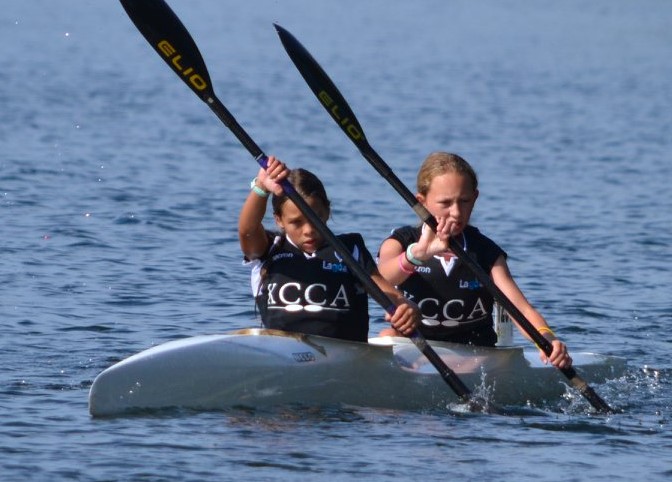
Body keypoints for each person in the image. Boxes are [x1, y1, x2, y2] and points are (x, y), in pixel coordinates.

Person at [377, 151, 572, 369]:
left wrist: (547, 338)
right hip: (415, 347)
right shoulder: (401, 243)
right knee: (386, 336)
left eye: (464, 201)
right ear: (421, 202)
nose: (456, 212)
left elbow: (521, 310)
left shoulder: (486, 252)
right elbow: (377, 279)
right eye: (445, 203)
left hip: (474, 356)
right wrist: (418, 255)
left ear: (475, 198)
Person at [238, 156, 420, 342]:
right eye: (296, 222)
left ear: (327, 211)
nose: (308, 231)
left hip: (346, 355)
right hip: (281, 351)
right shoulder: (268, 249)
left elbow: (391, 296)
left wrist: (407, 308)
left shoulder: (350, 250)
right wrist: (261, 187)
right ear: (279, 220)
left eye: (315, 219)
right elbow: (247, 230)